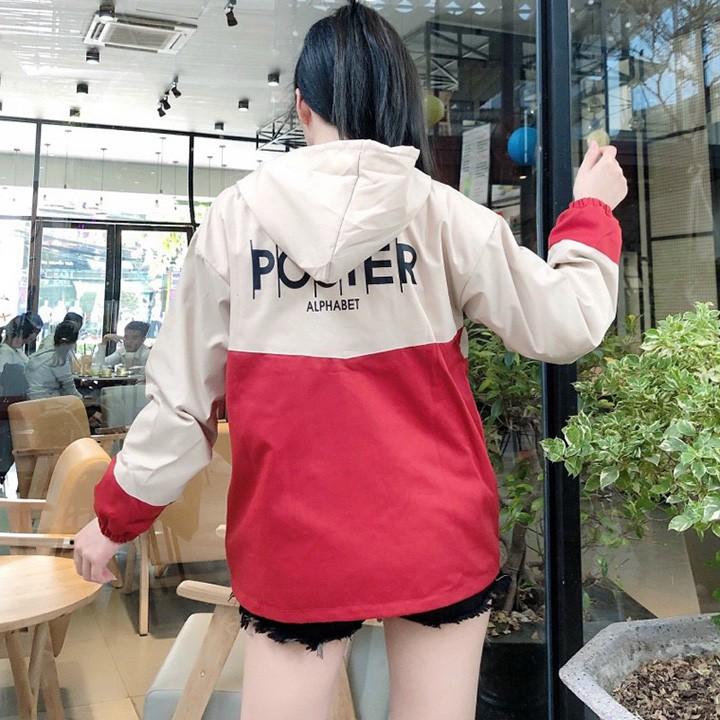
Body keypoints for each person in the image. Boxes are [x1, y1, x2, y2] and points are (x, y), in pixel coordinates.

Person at [73, 3, 627, 718]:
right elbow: (567, 321)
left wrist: (114, 520)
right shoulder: (443, 213)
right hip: (436, 530)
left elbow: (182, 406)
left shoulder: (235, 220)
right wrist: (591, 210)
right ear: (400, 102)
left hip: (293, 541)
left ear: (302, 105)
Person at [0, 312, 44, 483]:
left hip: (15, 405)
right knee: (6, 446)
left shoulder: (16, 351)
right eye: (34, 334)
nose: (35, 338)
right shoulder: (6, 353)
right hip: (8, 408)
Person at [26, 321, 82, 400]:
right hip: (46, 400)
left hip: (29, 399)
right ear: (74, 342)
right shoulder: (59, 358)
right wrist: (82, 399)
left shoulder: (42, 353)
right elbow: (70, 389)